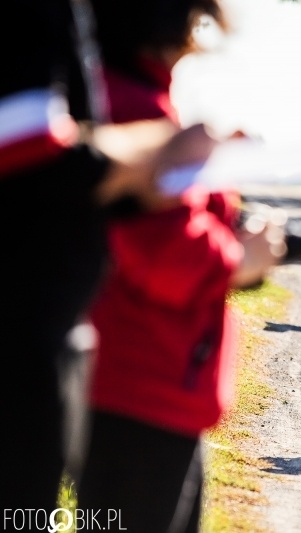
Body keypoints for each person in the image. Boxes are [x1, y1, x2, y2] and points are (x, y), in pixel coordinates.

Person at [0, 0, 219, 515]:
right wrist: (158, 152)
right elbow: (29, 147)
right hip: (46, 347)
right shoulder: (134, 99)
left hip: (60, 341)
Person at [75, 1, 284, 532]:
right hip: (139, 388)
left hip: (149, 386)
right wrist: (241, 259)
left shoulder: (126, 94)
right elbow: (164, 252)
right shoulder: (131, 103)